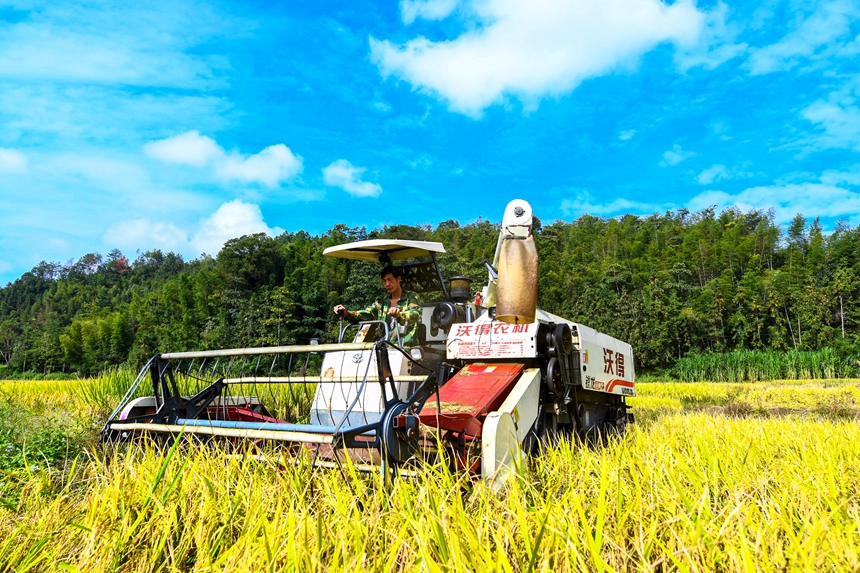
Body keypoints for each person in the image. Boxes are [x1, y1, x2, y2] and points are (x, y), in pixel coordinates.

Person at [333, 265, 422, 347]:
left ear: (398, 279)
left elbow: (415, 313)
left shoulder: (411, 297)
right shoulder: (382, 302)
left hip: (405, 347)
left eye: (390, 280)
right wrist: (347, 313)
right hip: (384, 346)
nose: (387, 284)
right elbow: (367, 313)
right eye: (384, 281)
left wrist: (399, 315)